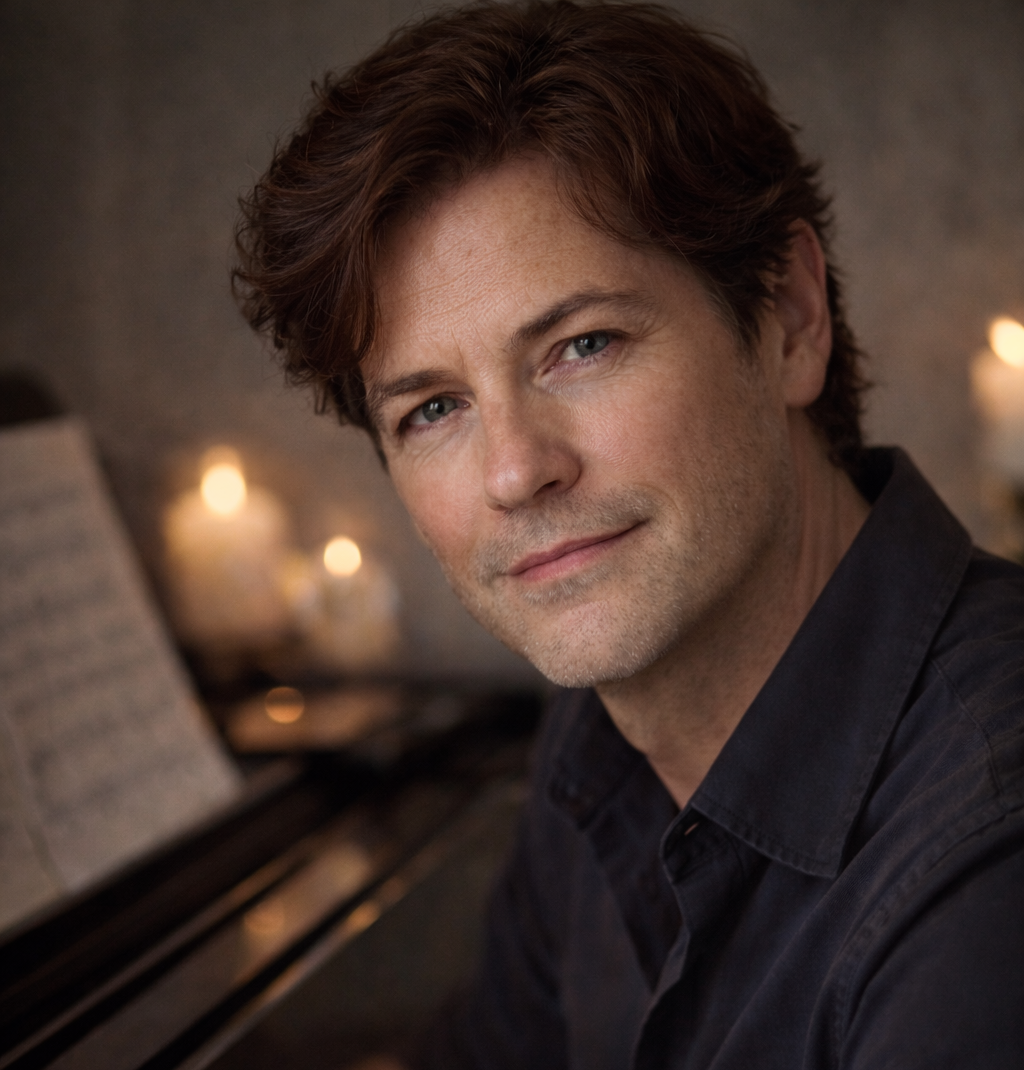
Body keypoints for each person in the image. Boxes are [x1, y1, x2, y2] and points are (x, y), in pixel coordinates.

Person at [234, 2, 1024, 1066]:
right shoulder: (599, 730)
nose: (516, 471)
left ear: (788, 317)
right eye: (432, 409)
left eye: (582, 344)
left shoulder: (988, 855)